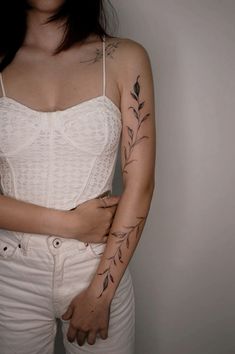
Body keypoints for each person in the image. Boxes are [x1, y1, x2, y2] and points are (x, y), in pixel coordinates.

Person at [0, 0, 156, 353]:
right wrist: (70, 225)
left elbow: (140, 185)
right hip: (10, 274)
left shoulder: (123, 57)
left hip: (99, 267)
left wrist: (100, 295)